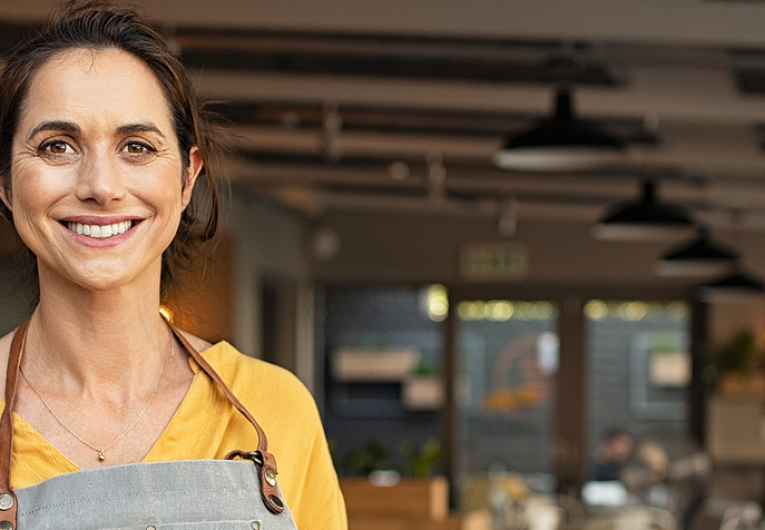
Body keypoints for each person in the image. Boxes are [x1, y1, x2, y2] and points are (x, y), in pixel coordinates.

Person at [0, 1, 347, 528]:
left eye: (136, 146)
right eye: (57, 146)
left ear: (187, 179)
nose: (101, 187)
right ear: (5, 181)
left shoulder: (277, 410)